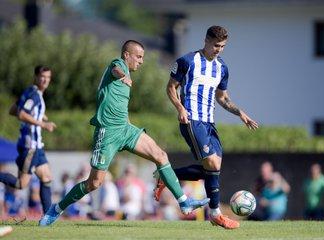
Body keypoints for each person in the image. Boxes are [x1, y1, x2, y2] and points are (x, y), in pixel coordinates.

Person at [39, 40, 209, 226]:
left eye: (142, 57)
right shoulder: (119, 65)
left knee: (161, 155)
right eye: (139, 56)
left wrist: (127, 122)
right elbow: (115, 69)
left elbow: (118, 103)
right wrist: (122, 76)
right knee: (94, 183)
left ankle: (184, 202)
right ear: (126, 55)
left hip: (125, 129)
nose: (141, 61)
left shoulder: (127, 74)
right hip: (108, 132)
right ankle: (56, 209)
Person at [154, 26, 258, 229]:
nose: (219, 49)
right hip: (191, 120)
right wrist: (180, 108)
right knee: (211, 163)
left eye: (223, 46)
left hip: (209, 123)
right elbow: (170, 87)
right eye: (216, 45)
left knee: (213, 169)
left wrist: (240, 113)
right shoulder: (187, 61)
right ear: (206, 41)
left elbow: (222, 98)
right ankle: (216, 213)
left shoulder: (222, 67)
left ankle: (166, 176)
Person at [0, 66, 55, 214]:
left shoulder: (29, 92)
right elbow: (21, 114)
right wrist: (42, 123)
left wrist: (38, 115)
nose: (45, 80)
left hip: (37, 146)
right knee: (21, 183)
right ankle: (48, 216)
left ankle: (48, 217)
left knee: (47, 176)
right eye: (42, 76)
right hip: (30, 145)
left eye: (48, 77)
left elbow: (13, 110)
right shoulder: (35, 95)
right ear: (36, 77)